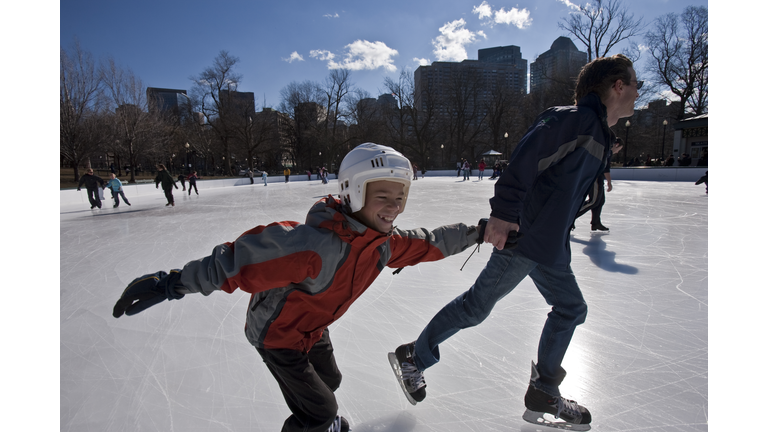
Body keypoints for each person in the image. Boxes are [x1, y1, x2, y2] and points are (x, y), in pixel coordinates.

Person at [112, 143, 483, 432]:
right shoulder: (310, 245)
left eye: (400, 196)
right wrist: (169, 284)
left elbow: (430, 241)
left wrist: (480, 232)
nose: (394, 207)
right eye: (382, 196)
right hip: (277, 336)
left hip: (311, 327)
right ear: (353, 192)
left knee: (330, 381)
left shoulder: (381, 244)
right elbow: (233, 262)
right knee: (321, 410)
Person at [390, 54, 641, 430]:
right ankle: (414, 357)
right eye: (635, 85)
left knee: (571, 309)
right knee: (476, 307)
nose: (638, 93)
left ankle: (543, 393)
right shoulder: (575, 119)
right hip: (526, 238)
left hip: (550, 246)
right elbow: (526, 157)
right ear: (617, 85)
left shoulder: (597, 132)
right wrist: (505, 213)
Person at [573, 137, 623, 231]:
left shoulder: (608, 151)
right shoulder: (606, 150)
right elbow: (605, 169)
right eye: (619, 149)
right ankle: (570, 218)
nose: (618, 151)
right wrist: (609, 182)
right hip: (594, 176)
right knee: (594, 201)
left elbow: (606, 167)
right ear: (616, 145)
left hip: (598, 177)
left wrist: (608, 181)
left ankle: (596, 223)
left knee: (600, 201)